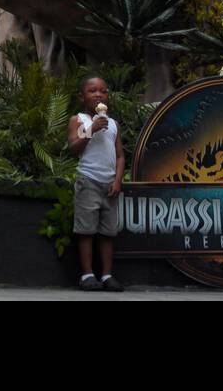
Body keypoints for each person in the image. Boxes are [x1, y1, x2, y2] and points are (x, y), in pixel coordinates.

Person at [67, 75, 125, 292]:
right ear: (82, 96)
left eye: (103, 90)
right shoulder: (79, 120)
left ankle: (108, 275)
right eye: (92, 91)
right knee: (86, 230)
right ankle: (87, 274)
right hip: (88, 181)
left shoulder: (113, 125)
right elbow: (74, 148)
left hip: (109, 183)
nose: (98, 95)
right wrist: (92, 129)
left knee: (108, 232)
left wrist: (118, 180)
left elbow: (120, 156)